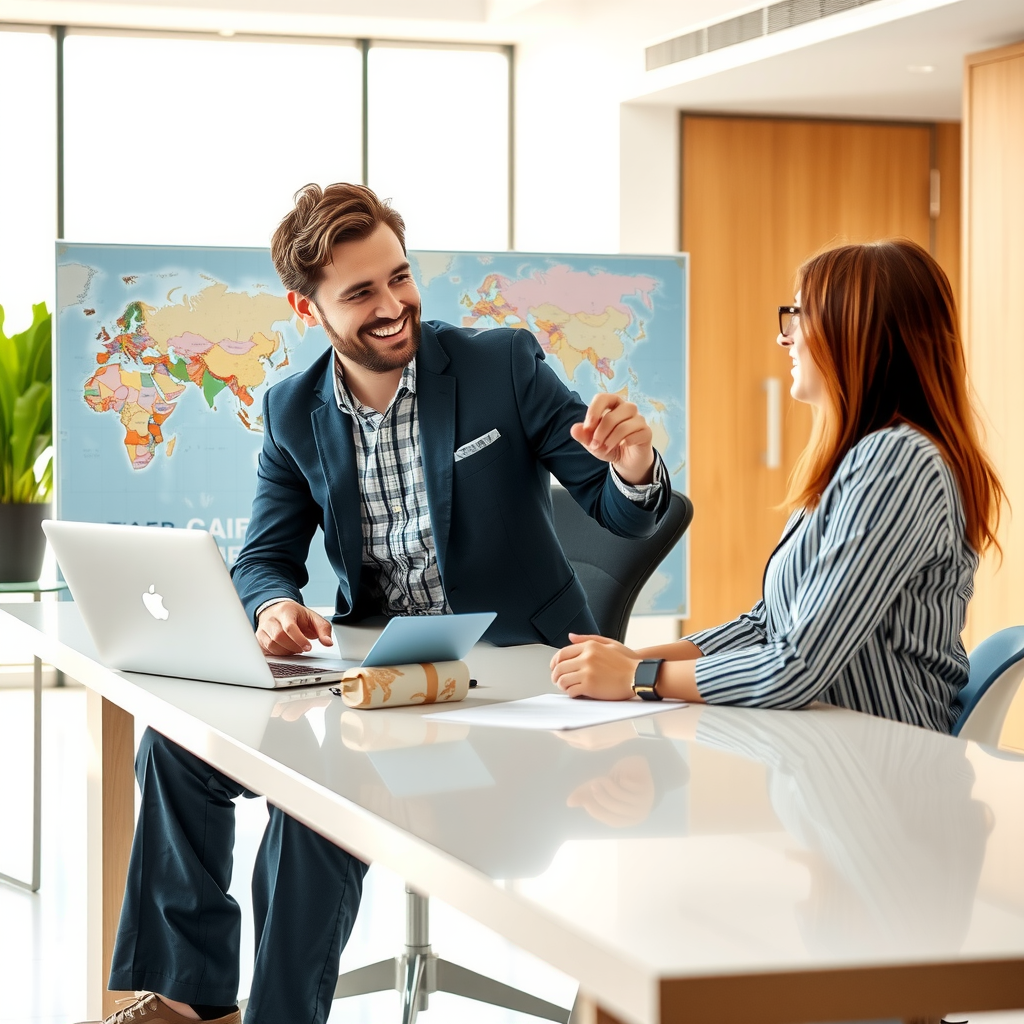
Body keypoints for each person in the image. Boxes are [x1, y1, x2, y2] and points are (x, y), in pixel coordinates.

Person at [90, 183, 670, 1024]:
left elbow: (618, 507)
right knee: (174, 750)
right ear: (307, 307)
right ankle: (191, 1004)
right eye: (362, 292)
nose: (394, 305)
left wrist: (632, 467)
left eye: (399, 277)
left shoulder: (501, 364)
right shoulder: (292, 410)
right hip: (379, 671)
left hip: (514, 672)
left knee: (313, 803)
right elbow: (265, 558)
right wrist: (272, 607)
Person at [552, 239, 1003, 733]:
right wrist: (633, 661)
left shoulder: (898, 462)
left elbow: (796, 668)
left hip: (885, 760)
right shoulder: (855, 463)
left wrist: (638, 678)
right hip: (832, 747)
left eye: (800, 316)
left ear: (857, 331)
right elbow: (766, 625)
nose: (784, 338)